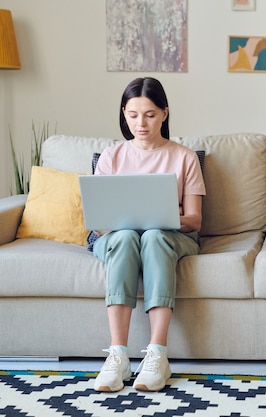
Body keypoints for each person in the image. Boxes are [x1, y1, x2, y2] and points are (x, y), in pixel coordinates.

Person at [91, 77, 206, 392]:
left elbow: (194, 220)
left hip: (171, 236)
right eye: (132, 115)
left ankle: (157, 354)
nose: (140, 123)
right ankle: (118, 355)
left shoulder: (184, 157)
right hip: (118, 237)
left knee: (153, 235)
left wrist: (159, 220)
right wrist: (130, 224)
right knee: (128, 236)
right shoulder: (111, 156)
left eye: (150, 114)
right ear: (124, 114)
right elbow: (100, 223)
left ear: (165, 113)